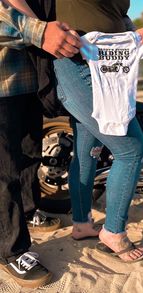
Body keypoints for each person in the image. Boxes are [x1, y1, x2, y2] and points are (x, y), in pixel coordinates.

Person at [6, 0, 143, 263]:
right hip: (76, 62)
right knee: (132, 150)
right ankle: (114, 232)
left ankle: (82, 223)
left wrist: (133, 31)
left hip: (110, 66)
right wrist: (40, 30)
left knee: (86, 152)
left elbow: (115, 13)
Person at [0, 1, 81, 288]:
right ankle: (10, 250)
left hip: (29, 79)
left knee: (31, 154)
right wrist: (40, 31)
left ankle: (29, 210)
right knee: (4, 171)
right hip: (2, 81)